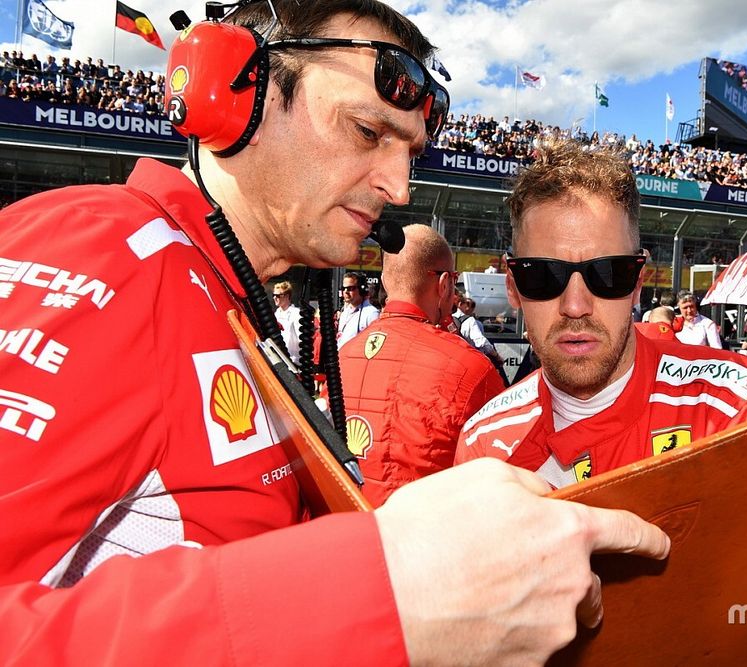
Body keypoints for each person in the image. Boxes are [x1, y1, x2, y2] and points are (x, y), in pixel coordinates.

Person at [0, 2, 669, 662]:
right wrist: (385, 592)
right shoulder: (105, 249)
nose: (400, 186)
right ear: (238, 96)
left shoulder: (218, 290)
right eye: (367, 131)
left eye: (409, 150)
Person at [453, 140, 747, 665]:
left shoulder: (737, 408)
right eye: (543, 276)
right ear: (513, 286)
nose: (575, 306)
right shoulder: (484, 442)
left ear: (639, 281)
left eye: (608, 274)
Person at [339, 225, 505, 506]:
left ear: (385, 280)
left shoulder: (343, 355)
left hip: (349, 530)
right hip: (426, 538)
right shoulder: (471, 368)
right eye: (453, 280)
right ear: (443, 284)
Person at [454, 294, 507, 383]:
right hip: (471, 362)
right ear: (460, 304)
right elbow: (481, 341)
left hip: (455, 362)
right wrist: (497, 356)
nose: (469, 309)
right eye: (467, 305)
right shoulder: (470, 321)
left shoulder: (448, 319)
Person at [337, 271, 380, 348]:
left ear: (362, 290)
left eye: (350, 288)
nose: (346, 292)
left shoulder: (372, 314)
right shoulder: (344, 312)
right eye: (344, 288)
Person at [272, 279, 301, 363]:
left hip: (293, 360)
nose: (275, 298)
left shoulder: (296, 313)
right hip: (279, 359)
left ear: (287, 296)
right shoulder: (276, 314)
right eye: (274, 295)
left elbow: (301, 338)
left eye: (278, 295)